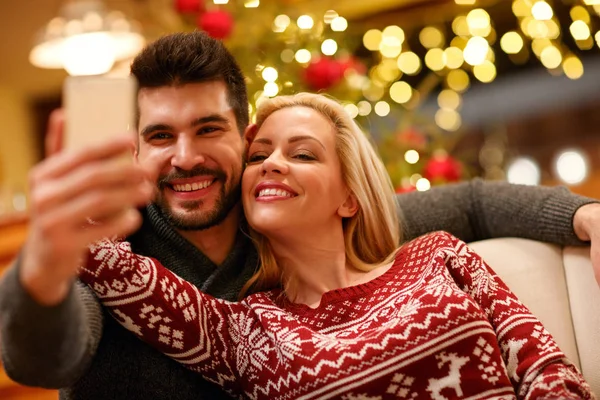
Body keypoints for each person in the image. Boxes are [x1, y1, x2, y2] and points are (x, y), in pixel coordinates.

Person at [0, 31, 598, 400]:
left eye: (210, 129)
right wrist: (47, 260)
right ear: (135, 147)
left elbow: (472, 203)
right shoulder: (244, 325)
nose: (185, 157)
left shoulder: (431, 253)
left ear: (245, 135)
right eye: (159, 136)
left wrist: (587, 214)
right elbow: (39, 355)